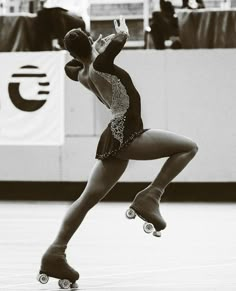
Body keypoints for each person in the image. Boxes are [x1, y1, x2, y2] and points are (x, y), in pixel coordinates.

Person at [38, 16, 198, 287]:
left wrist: (89, 51)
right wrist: (118, 35)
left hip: (112, 137)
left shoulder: (81, 73)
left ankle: (55, 252)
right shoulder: (100, 64)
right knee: (188, 147)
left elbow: (71, 65)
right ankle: (151, 195)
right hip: (128, 133)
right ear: (89, 41)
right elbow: (121, 39)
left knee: (85, 200)